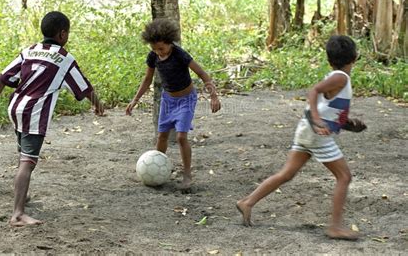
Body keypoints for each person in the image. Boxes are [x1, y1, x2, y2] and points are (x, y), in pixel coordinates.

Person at [236, 35, 366, 240]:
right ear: (355, 57)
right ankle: (335, 227)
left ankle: (247, 202)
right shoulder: (341, 77)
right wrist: (316, 119)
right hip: (316, 135)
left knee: (286, 174)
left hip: (307, 130)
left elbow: (329, 109)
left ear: (329, 59)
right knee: (344, 177)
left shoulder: (336, 77)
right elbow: (313, 91)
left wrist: (348, 124)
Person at [0, 11, 104, 226]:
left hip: (16, 108)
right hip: (34, 113)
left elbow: (3, 77)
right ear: (62, 34)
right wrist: (98, 106)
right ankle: (18, 214)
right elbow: (85, 88)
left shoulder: (29, 51)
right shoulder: (65, 59)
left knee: (23, 155)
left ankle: (22, 194)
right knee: (28, 162)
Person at [126, 18, 221, 191]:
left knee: (181, 137)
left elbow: (202, 74)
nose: (158, 52)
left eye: (161, 48)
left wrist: (213, 96)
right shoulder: (153, 56)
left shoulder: (179, 54)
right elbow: (147, 79)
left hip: (186, 100)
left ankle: (187, 173)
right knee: (162, 136)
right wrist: (135, 100)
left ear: (170, 43)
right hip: (168, 100)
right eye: (154, 49)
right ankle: (157, 166)